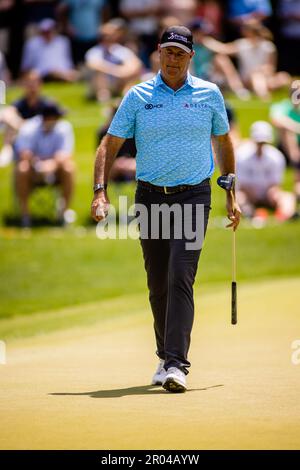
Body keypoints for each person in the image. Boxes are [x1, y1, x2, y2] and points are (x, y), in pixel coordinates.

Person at [91, 25, 241, 393]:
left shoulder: (209, 94)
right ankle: (164, 355)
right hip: (150, 197)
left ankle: (177, 364)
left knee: (179, 275)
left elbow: (223, 142)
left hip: (193, 196)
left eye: (180, 54)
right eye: (167, 52)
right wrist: (100, 191)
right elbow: (109, 145)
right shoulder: (139, 95)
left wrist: (230, 193)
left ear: (191, 57)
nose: (173, 59)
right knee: (157, 282)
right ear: (158, 53)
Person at [14, 101, 75, 227]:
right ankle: (25, 215)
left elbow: (65, 154)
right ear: (47, 117)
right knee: (22, 169)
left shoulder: (64, 127)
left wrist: (51, 165)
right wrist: (38, 166)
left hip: (56, 169)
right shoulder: (29, 127)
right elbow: (24, 152)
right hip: (33, 169)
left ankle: (63, 213)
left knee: (69, 168)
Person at [203, 19, 291, 100]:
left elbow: (270, 68)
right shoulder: (242, 44)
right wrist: (206, 40)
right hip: (246, 80)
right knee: (255, 76)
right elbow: (223, 49)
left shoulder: (268, 47)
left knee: (284, 77)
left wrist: (262, 71)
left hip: (265, 78)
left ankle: (264, 90)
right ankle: (263, 96)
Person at [236, 121, 296, 221]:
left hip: (268, 194)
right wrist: (253, 196)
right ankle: (250, 213)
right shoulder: (241, 156)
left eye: (263, 142)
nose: (261, 146)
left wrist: (271, 193)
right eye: (259, 142)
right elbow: (242, 185)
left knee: (288, 197)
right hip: (248, 194)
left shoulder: (276, 157)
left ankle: (285, 214)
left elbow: (275, 184)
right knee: (239, 198)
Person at [85, 19, 143, 102]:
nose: (108, 38)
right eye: (104, 35)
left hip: (118, 82)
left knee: (134, 71)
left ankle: (126, 93)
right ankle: (104, 97)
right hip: (100, 85)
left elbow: (136, 64)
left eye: (111, 35)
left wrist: (124, 72)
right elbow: (94, 65)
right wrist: (117, 71)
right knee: (99, 73)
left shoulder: (121, 50)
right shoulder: (94, 51)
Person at [270, 93, 300, 199]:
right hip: (285, 148)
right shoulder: (281, 106)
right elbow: (277, 121)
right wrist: (297, 128)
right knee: (287, 133)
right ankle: (296, 164)